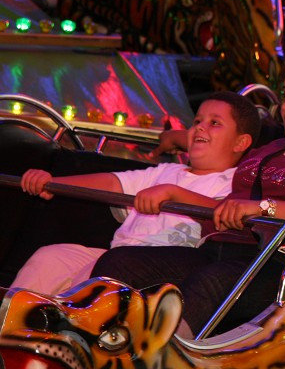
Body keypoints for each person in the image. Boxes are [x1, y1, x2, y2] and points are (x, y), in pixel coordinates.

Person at [92, 55, 285, 336]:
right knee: (121, 262)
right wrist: (174, 186)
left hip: (281, 265)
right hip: (219, 247)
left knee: (209, 284)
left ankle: (160, 368)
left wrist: (265, 208)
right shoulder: (268, 150)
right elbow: (230, 204)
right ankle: (92, 344)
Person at [13, 92, 260, 295]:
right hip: (114, 254)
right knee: (51, 257)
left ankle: (58, 326)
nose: (200, 128)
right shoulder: (167, 171)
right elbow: (113, 183)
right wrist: (54, 183)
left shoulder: (233, 182)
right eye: (197, 121)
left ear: (240, 143)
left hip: (155, 272)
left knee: (92, 277)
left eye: (214, 123)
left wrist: (173, 194)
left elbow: (223, 213)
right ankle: (9, 325)